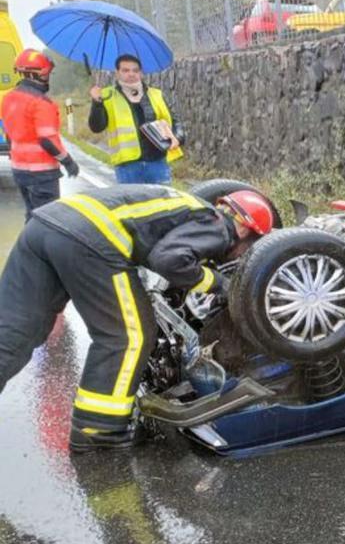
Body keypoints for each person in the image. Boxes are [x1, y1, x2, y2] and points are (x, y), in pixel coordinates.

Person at [0, 184, 275, 452]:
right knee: (129, 335)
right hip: (89, 239)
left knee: (17, 330)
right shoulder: (220, 227)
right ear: (244, 228)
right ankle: (98, 430)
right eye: (250, 247)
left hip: (47, 223)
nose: (245, 255)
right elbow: (168, 260)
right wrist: (220, 284)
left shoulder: (192, 207)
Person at [0, 49, 80, 218]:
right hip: (42, 173)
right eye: (46, 74)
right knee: (48, 221)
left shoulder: (8, 98)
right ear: (34, 75)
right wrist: (68, 161)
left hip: (19, 170)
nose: (48, 78)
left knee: (32, 216)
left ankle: (27, 245)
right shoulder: (42, 103)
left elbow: (9, 133)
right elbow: (47, 140)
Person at [88, 54, 182, 184]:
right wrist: (97, 102)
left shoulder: (156, 94)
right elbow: (96, 127)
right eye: (125, 70)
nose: (131, 74)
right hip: (128, 167)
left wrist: (178, 137)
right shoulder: (106, 96)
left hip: (157, 163)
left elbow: (175, 121)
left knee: (163, 203)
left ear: (141, 73)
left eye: (135, 70)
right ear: (117, 73)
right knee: (133, 204)